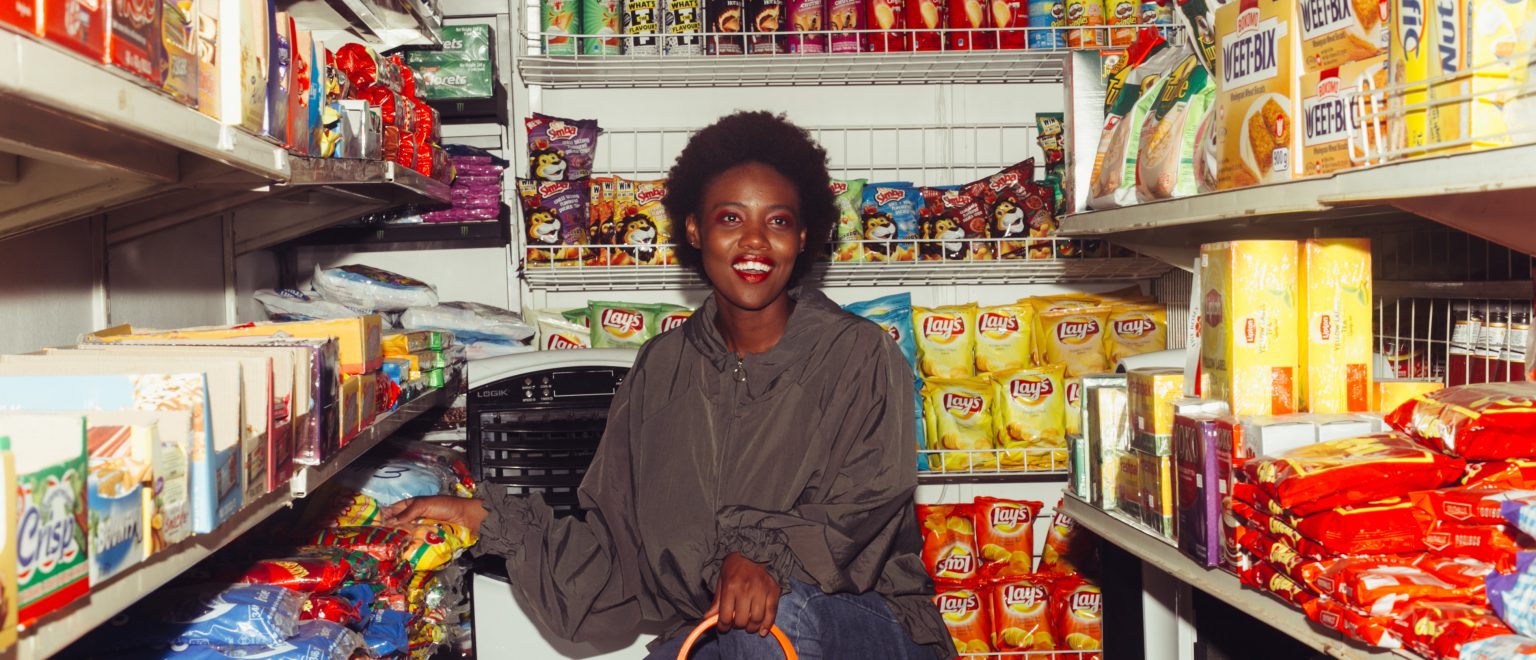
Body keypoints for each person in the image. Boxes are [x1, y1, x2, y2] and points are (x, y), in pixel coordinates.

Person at [384, 111, 952, 659]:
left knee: (763, 623)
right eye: (731, 218)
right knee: (720, 636)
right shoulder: (659, 369)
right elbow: (615, 551)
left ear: (803, 237)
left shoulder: (858, 352)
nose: (755, 242)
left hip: (865, 625)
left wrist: (765, 559)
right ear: (694, 228)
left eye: (777, 221)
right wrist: (481, 518)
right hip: (719, 632)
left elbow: (860, 510)